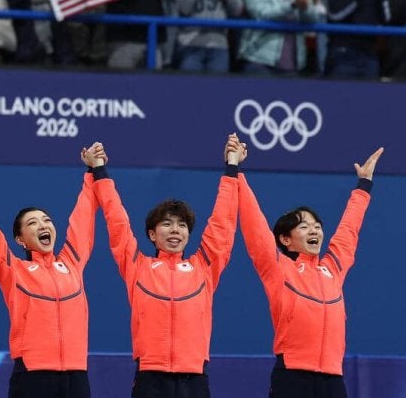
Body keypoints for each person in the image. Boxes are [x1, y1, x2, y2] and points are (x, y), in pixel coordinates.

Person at [88, 135, 243, 397]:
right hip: (150, 378)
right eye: (167, 224)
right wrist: (99, 171)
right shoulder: (137, 266)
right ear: (152, 234)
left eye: (182, 225)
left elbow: (222, 223)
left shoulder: (204, 266)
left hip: (194, 378)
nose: (175, 230)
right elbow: (117, 222)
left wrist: (232, 167)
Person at [238, 147, 383, 397]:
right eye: (304, 227)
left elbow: (348, 231)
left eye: (317, 226)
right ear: (285, 239)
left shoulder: (333, 268)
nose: (314, 230)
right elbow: (256, 227)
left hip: (333, 378)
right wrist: (236, 172)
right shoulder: (279, 268)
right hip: (292, 376)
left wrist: (363, 186)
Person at [0, 148, 98, 397]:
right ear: (20, 240)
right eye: (33, 223)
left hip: (77, 375)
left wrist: (93, 172)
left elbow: (83, 219)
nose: (43, 225)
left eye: (46, 220)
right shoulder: (14, 271)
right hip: (33, 375)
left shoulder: (72, 263)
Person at [238, 0, 324, 76]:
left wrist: (305, 9)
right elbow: (261, 13)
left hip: (292, 64)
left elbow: (313, 19)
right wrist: (292, 5)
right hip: (259, 60)